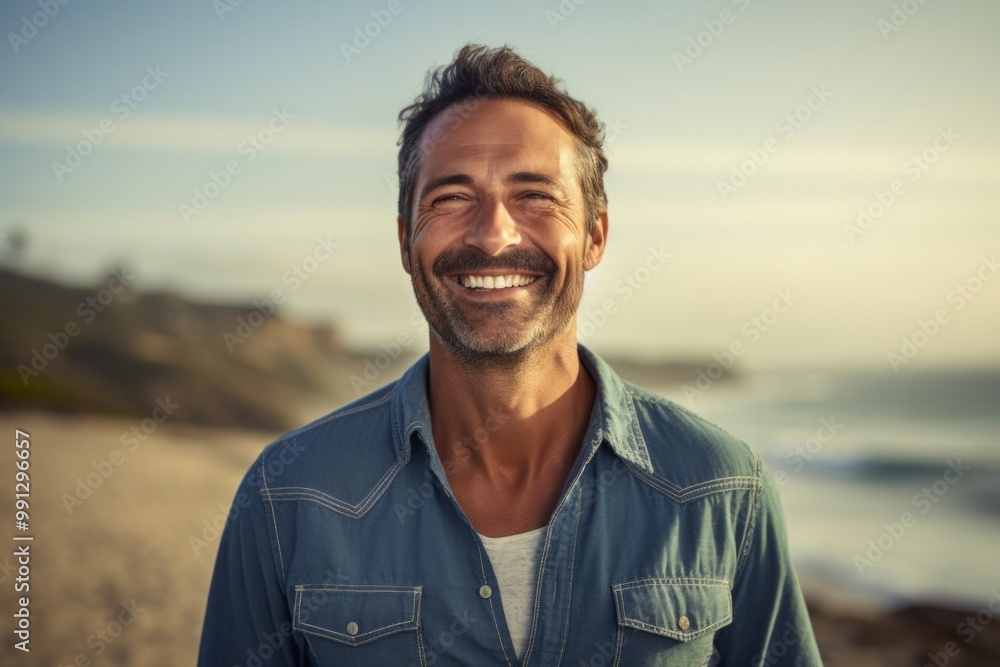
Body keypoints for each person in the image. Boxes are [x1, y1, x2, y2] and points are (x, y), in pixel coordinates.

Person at [198, 43, 823, 666]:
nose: (493, 233)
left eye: (535, 196)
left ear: (596, 234)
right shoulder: (288, 495)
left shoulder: (723, 486)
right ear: (403, 238)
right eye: (451, 198)